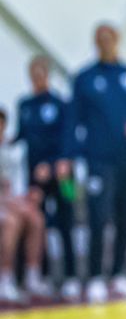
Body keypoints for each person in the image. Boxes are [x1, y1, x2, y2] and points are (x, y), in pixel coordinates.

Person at [68, 22, 126, 303]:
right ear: (95, 42)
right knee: (98, 216)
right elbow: (73, 120)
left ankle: (116, 274)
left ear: (117, 40)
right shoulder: (84, 78)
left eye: (109, 37)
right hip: (98, 160)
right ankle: (94, 277)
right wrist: (71, 156)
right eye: (100, 38)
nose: (106, 42)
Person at [15, 55, 77, 298]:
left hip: (64, 177)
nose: (37, 77)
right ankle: (40, 275)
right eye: (33, 73)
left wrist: (55, 164)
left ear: (47, 73)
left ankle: (71, 275)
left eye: (40, 72)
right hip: (35, 178)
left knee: (67, 221)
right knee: (36, 223)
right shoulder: (24, 105)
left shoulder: (61, 104)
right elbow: (22, 137)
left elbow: (68, 139)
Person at [0, 109, 49, 305]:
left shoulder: (12, 150)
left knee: (36, 219)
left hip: (12, 203)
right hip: (5, 206)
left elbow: (15, 185)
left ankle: (32, 276)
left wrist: (28, 197)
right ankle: (5, 279)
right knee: (11, 223)